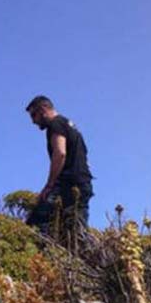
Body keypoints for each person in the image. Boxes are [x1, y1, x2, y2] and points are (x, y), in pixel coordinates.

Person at [23, 95, 94, 231]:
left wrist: (49, 185)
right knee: (74, 229)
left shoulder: (56, 124)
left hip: (68, 184)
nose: (33, 121)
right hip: (83, 183)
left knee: (38, 222)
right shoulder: (69, 125)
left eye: (34, 115)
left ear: (43, 109)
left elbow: (60, 153)